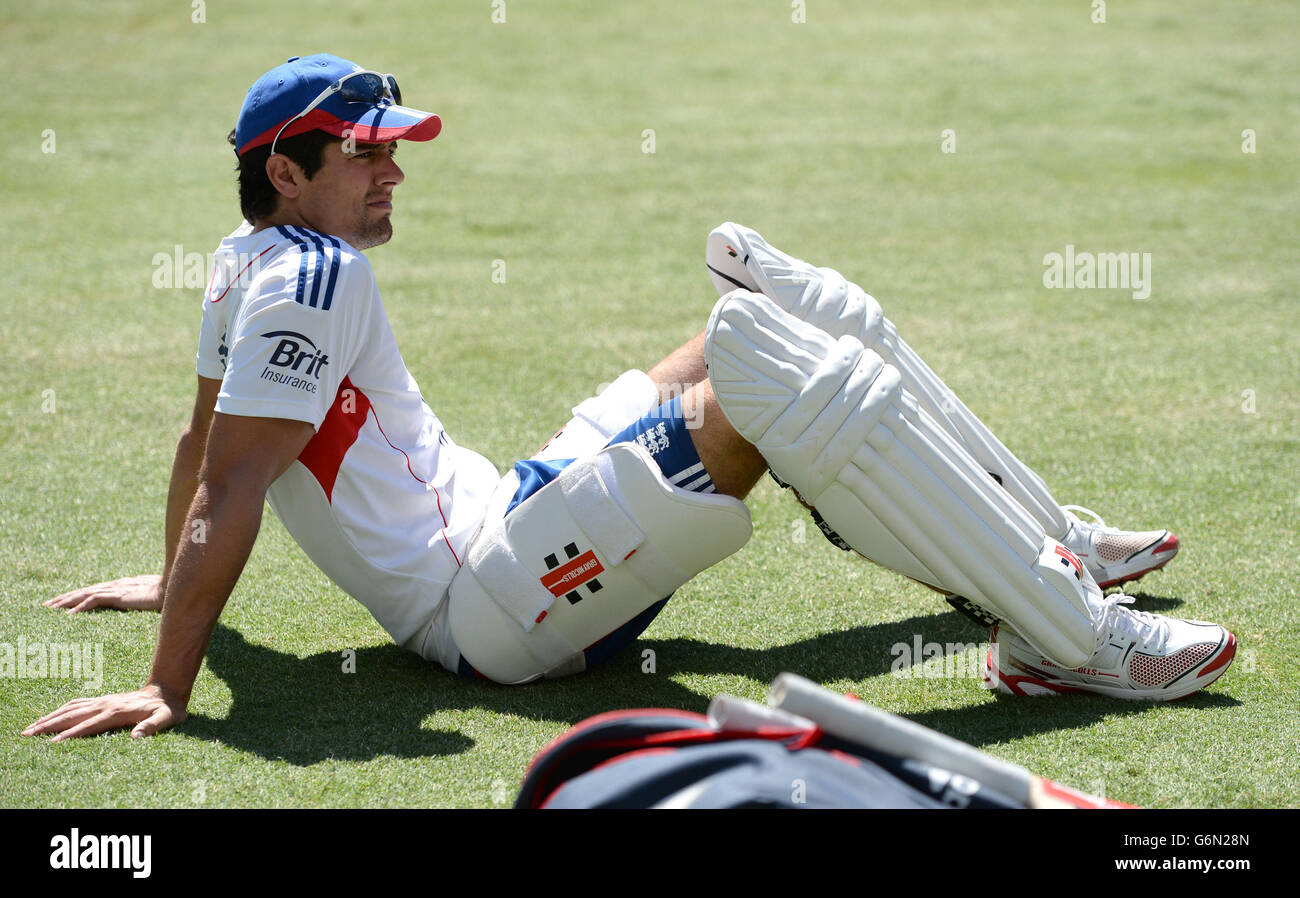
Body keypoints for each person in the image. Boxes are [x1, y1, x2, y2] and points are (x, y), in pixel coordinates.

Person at [24, 54, 1234, 743]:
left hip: (505, 520)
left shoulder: (242, 264)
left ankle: (1045, 543)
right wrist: (168, 681)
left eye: (394, 149)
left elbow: (203, 441)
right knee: (772, 364)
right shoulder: (308, 275)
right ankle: (1075, 646)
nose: (393, 171)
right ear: (283, 170)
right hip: (486, 612)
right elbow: (228, 473)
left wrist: (167, 577)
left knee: (763, 299)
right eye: (364, 152)